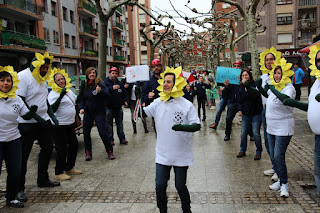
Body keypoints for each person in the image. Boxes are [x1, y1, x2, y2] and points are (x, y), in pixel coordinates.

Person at [143, 66, 201, 213]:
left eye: (169, 82)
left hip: (181, 153)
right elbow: (142, 113)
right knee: (160, 185)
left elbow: (197, 125)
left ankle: (187, 210)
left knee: (180, 186)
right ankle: (162, 210)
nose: (165, 84)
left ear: (176, 84)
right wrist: (141, 96)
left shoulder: (186, 104)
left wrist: (183, 127)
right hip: (162, 153)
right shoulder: (158, 102)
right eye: (164, 81)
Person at [16, 52, 60, 203]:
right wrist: (37, 118)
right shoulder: (23, 76)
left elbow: (44, 100)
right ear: (35, 64)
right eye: (43, 67)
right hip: (26, 124)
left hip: (44, 123)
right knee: (23, 156)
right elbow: (20, 101)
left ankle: (43, 179)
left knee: (47, 149)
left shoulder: (42, 79)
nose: (45, 70)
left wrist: (50, 116)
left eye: (47, 68)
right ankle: (19, 189)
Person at [279, 44, 320, 196]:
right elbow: (313, 107)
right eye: (318, 60)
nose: (319, 62)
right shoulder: (316, 82)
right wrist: (297, 104)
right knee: (318, 172)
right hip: (317, 136)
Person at [0, 66, 39, 208]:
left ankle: (10, 198)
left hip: (14, 139)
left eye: (8, 80)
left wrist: (33, 111)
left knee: (15, 170)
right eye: (2, 80)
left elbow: (26, 115)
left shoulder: (16, 99)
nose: (5, 83)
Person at [265, 58, 295, 198]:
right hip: (271, 127)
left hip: (283, 128)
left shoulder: (289, 88)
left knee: (278, 156)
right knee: (273, 156)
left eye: (279, 73)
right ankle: (279, 181)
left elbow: (285, 100)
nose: (277, 75)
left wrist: (273, 89)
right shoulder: (274, 87)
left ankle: (284, 185)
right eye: (275, 73)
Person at [48, 68, 82, 181]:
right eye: (58, 80)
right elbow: (52, 109)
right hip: (59, 125)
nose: (61, 81)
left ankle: (69, 167)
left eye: (62, 79)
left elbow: (75, 102)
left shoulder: (68, 91)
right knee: (61, 148)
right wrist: (60, 96)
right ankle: (58, 172)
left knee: (74, 145)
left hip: (69, 124)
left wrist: (82, 91)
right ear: (54, 82)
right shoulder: (53, 94)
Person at [256, 47, 282, 182]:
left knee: (276, 142)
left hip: (277, 111)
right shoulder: (263, 76)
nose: (269, 62)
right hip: (265, 110)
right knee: (268, 141)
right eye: (267, 59)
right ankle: (274, 166)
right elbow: (260, 93)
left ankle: (279, 170)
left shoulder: (279, 74)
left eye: (271, 59)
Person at [79, 67, 114, 161]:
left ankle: (109, 151)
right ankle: (88, 152)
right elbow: (82, 98)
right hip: (88, 112)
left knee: (102, 133)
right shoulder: (84, 84)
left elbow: (107, 95)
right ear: (87, 74)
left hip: (99, 112)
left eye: (94, 73)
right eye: (90, 73)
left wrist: (100, 91)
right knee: (86, 132)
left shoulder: (100, 83)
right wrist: (81, 107)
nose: (92, 74)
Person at [236, 70, 263, 160]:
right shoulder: (241, 87)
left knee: (256, 133)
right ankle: (242, 150)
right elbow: (239, 100)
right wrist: (240, 110)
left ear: (249, 76)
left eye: (246, 75)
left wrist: (248, 85)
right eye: (243, 75)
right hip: (246, 113)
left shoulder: (254, 85)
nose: (245, 77)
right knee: (243, 133)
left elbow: (255, 96)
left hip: (256, 112)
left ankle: (258, 151)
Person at [104, 67, 128, 145]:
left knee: (120, 124)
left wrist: (125, 101)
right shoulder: (105, 83)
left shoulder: (120, 83)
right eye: (113, 73)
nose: (114, 75)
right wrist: (112, 88)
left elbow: (124, 93)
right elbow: (104, 92)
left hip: (118, 107)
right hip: (109, 107)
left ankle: (122, 138)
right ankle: (110, 139)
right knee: (109, 125)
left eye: (116, 73)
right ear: (109, 74)